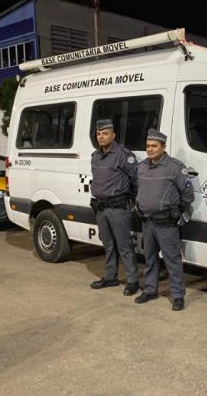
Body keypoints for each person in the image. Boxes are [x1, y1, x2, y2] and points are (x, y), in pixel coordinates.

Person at [134, 129, 194, 311]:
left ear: (163, 147)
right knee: (150, 259)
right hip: (147, 223)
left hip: (166, 224)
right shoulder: (142, 167)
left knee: (172, 261)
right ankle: (151, 289)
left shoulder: (175, 167)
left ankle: (177, 295)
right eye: (147, 146)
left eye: (154, 146)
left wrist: (179, 214)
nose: (150, 149)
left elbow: (188, 195)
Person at [89, 119, 140, 296]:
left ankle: (133, 280)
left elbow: (136, 180)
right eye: (98, 134)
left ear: (113, 135)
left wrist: (132, 202)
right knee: (108, 244)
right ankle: (110, 276)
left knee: (124, 246)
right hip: (101, 208)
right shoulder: (95, 156)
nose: (101, 137)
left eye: (105, 133)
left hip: (118, 207)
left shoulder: (124, 155)